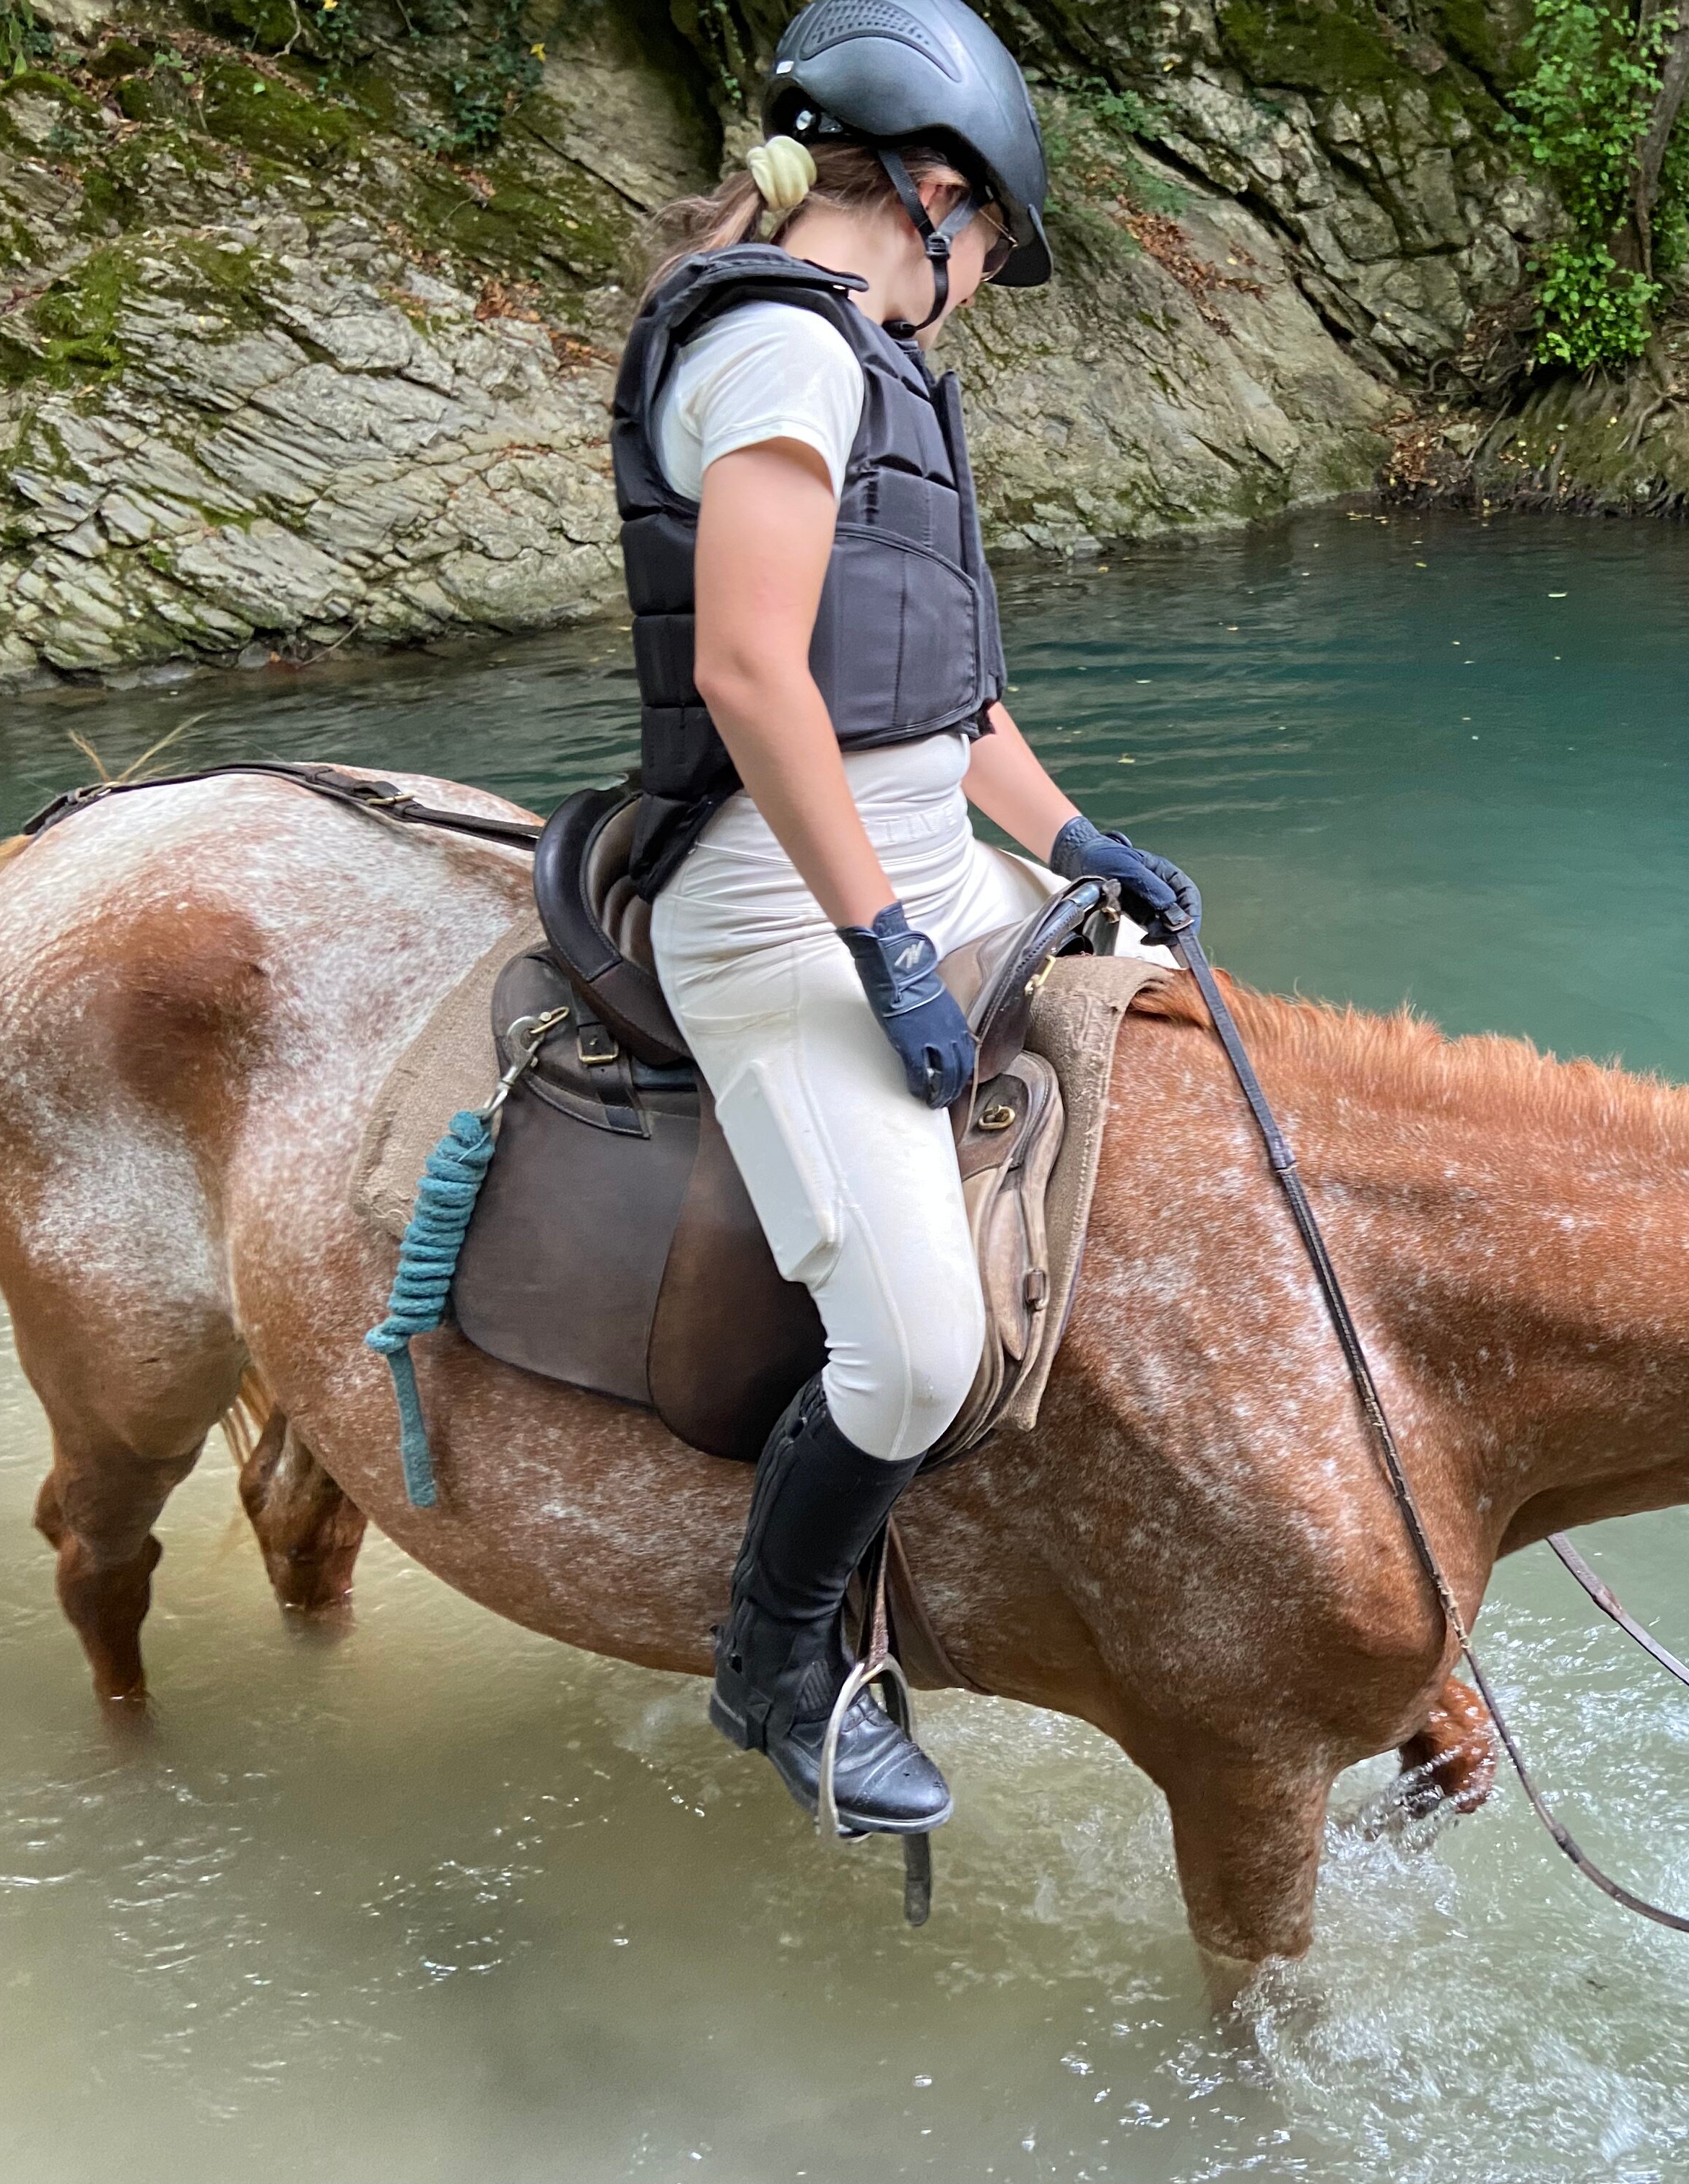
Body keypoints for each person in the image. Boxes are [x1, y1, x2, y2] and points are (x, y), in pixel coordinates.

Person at [609, 0, 1202, 1836]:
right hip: (782, 899)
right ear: (937, 199)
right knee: (917, 1352)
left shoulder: (872, 363)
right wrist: (879, 942)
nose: (979, 285)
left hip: (927, 849)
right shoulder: (783, 356)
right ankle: (776, 1656)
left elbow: (950, 709)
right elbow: (753, 675)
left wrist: (1083, 839)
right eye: (992, 251)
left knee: (1180, 1003)